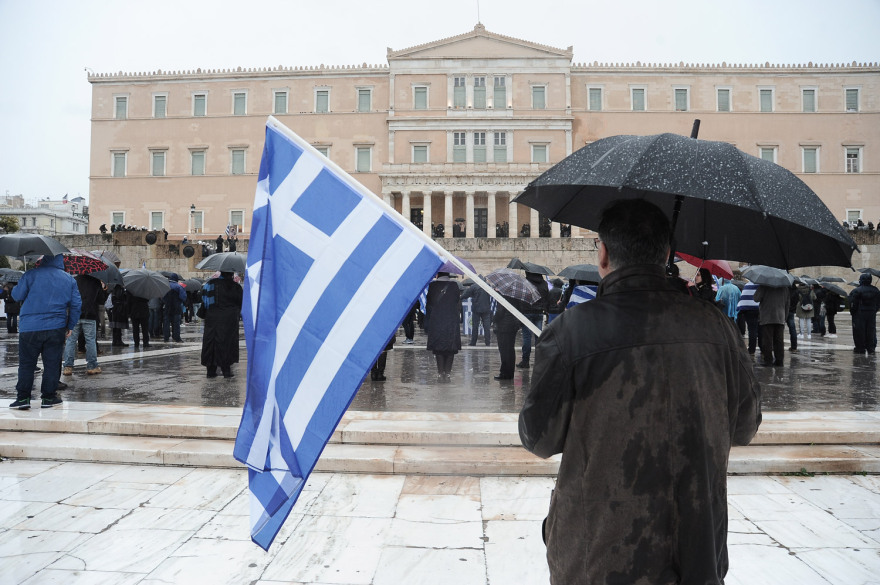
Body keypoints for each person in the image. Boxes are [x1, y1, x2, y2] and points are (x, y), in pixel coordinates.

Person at [519, 199, 761, 585]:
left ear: (603, 253)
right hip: (696, 548)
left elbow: (539, 438)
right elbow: (744, 427)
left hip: (597, 549)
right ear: (666, 253)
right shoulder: (718, 328)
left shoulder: (571, 330)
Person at [9, 254, 82, 410]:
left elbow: (16, 296)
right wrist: (70, 325)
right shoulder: (69, 279)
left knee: (27, 364)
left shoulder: (30, 274)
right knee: (52, 364)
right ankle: (48, 398)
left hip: (30, 327)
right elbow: (76, 305)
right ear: (60, 261)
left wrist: (21, 283)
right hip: (56, 327)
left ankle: (23, 398)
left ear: (42, 261)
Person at [62, 275, 107, 376]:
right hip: (90, 314)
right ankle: (92, 366)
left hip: (74, 314)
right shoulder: (95, 281)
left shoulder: (73, 280)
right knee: (90, 341)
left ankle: (68, 367)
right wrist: (104, 290)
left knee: (71, 341)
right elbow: (101, 300)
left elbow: (67, 298)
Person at [200, 271, 243, 377]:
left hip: (212, 318)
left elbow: (204, 301)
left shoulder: (209, 285)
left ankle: (210, 370)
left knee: (211, 342)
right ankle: (226, 371)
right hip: (229, 320)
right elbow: (241, 304)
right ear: (231, 274)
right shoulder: (236, 287)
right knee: (227, 343)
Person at [424, 272, 461, 380]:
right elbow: (456, 300)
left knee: (438, 346)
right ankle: (448, 373)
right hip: (451, 319)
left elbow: (429, 302)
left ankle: (440, 373)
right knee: (450, 346)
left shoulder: (432, 286)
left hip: (437, 319)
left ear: (437, 275)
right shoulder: (454, 285)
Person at [517, 271, 548, 369]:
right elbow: (546, 297)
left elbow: (520, 297)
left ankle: (525, 361)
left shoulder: (525, 282)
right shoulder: (544, 283)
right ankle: (540, 361)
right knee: (538, 337)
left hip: (526, 312)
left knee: (527, 338)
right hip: (538, 313)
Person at [755, 283, 790, 366]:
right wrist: (785, 316)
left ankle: (768, 360)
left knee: (767, 340)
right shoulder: (785, 287)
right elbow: (787, 303)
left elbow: (756, 298)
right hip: (780, 317)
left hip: (767, 316)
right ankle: (779, 360)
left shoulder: (764, 286)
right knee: (779, 340)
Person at [492, 294, 525, 380]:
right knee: (510, 350)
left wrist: (494, 319)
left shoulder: (503, 296)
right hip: (513, 326)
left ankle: (504, 373)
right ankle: (510, 373)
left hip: (504, 326)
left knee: (504, 351)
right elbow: (520, 310)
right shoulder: (516, 297)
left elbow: (500, 312)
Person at [849, 273, 880, 355]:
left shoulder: (857, 290)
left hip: (859, 313)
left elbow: (853, 303)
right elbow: (878, 303)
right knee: (871, 330)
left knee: (859, 331)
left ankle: (860, 348)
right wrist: (874, 310)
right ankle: (871, 348)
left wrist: (853, 312)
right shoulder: (876, 290)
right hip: (871, 313)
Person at [461, 278, 492, 346]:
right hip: (486, 309)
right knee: (487, 327)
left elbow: (466, 294)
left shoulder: (474, 286)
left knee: (475, 326)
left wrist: (461, 297)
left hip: (476, 309)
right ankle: (487, 342)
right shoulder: (488, 286)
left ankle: (473, 342)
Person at [737, 281, 761, 355]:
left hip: (748, 310)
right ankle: (762, 348)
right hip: (759, 309)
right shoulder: (761, 285)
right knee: (761, 330)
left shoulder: (747, 285)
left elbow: (743, 298)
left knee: (752, 330)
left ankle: (751, 350)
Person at [162, 274, 186, 343]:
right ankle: (177, 337)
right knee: (176, 323)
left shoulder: (165, 286)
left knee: (166, 323)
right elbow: (183, 297)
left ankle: (166, 337)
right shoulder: (180, 286)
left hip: (167, 307)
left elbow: (162, 297)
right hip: (176, 307)